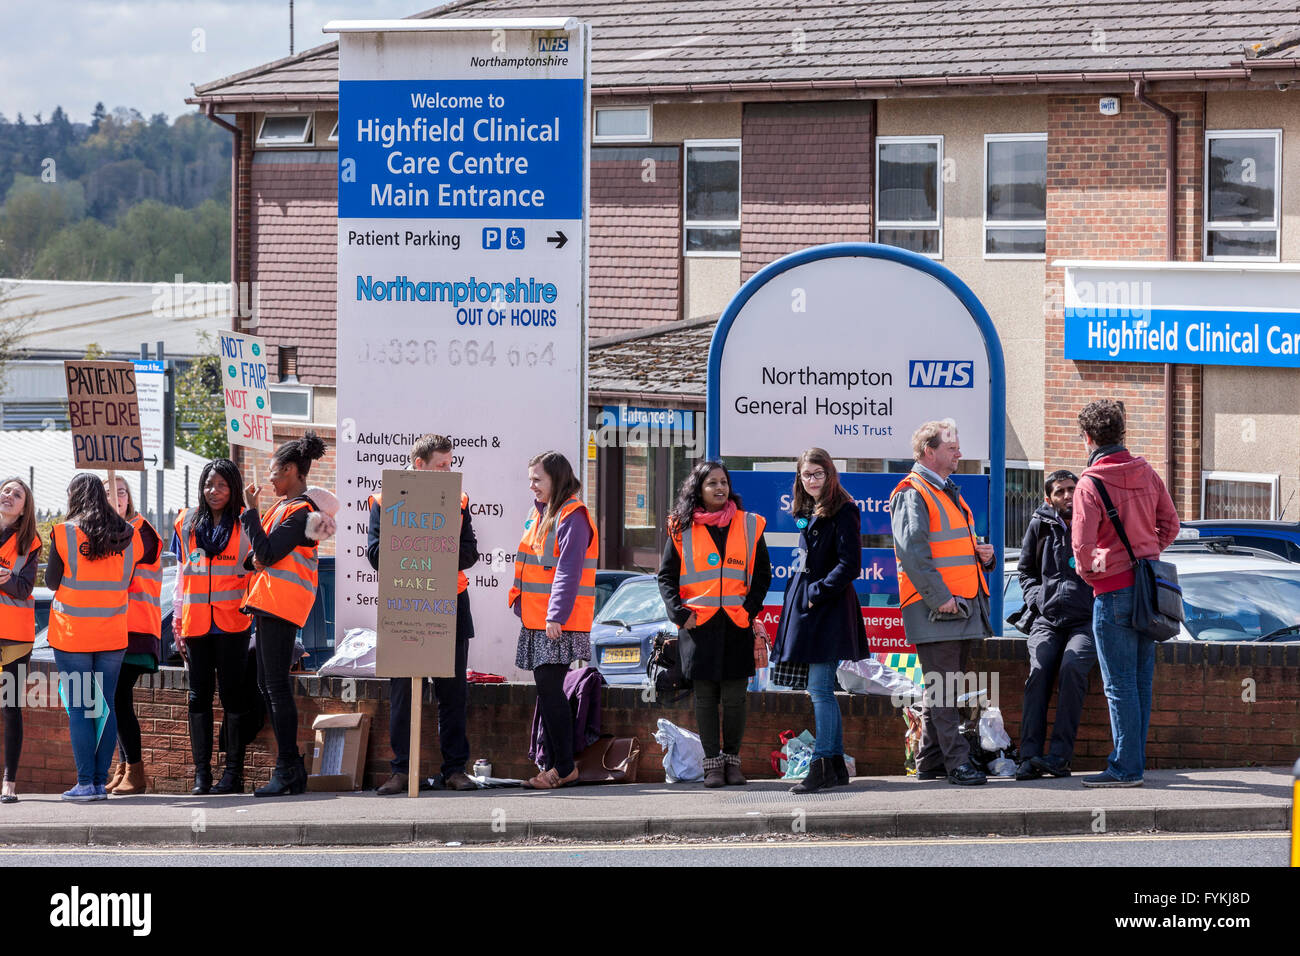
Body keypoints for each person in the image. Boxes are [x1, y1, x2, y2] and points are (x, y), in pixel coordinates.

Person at [1071, 399, 1179, 788]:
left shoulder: (1090, 483)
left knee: (1118, 686)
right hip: (1149, 591)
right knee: (1139, 682)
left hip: (1113, 593)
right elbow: (1171, 524)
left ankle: (1125, 768)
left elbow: (1082, 554)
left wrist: (1101, 569)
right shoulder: (1146, 471)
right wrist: (1147, 553)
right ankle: (1133, 762)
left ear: (1088, 437)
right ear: (1121, 433)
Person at [367, 434, 478, 794]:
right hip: (406, 603)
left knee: (453, 693)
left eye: (450, 464)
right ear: (420, 465)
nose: (449, 470)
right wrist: (418, 557)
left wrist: (437, 558)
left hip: (450, 603)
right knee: (402, 693)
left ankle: (454, 769)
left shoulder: (458, 501)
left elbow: (470, 552)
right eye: (442, 465)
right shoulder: (385, 500)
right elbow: (374, 553)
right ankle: (402, 771)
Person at [890, 419, 996, 786]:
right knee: (944, 687)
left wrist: (985, 556)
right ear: (929, 452)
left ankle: (931, 761)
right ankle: (956, 763)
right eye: (952, 448)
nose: (959, 453)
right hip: (937, 607)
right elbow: (913, 553)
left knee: (945, 687)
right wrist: (941, 599)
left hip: (957, 605)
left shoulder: (944, 489)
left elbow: (946, 547)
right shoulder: (913, 491)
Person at [657, 459, 771, 788]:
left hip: (736, 623)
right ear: (698, 490)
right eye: (712, 484)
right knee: (705, 698)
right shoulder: (681, 528)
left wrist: (750, 610)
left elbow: (763, 574)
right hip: (699, 626)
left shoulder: (749, 524)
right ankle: (712, 765)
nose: (720, 488)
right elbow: (666, 577)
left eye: (724, 482)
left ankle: (732, 762)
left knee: (735, 697)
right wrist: (680, 613)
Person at [241, 432, 335, 797]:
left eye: (274, 472)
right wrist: (258, 554)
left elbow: (266, 550)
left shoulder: (300, 511)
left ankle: (288, 769)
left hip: (282, 604)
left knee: (277, 688)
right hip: (268, 602)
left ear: (293, 470)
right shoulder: (283, 508)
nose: (269, 479)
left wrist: (249, 512)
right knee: (268, 686)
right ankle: (290, 768)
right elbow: (257, 556)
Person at [772, 449, 869, 793]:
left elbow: (850, 564)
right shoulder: (807, 510)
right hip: (807, 609)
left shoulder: (845, 510)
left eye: (817, 474)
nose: (810, 480)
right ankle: (837, 767)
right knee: (820, 690)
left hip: (827, 611)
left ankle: (823, 764)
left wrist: (816, 592)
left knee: (820, 691)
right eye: (805, 475)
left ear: (830, 475)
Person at [46, 473, 142, 801]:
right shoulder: (130, 536)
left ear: (74, 496)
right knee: (106, 707)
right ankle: (99, 783)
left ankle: (85, 783)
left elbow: (51, 581)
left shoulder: (64, 533)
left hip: (73, 634)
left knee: (81, 708)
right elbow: (128, 579)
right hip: (113, 633)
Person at [507, 451, 598, 790]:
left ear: (556, 479)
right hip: (539, 620)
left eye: (537, 479)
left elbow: (568, 571)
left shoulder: (572, 516)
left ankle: (563, 766)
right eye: (530, 478)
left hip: (557, 622)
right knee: (547, 692)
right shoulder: (541, 513)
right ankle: (558, 762)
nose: (531, 485)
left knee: (550, 690)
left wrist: (555, 615)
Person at [173, 458, 253, 795]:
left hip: (233, 623)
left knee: (234, 698)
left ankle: (233, 774)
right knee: (197, 698)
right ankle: (201, 775)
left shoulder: (246, 524)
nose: (213, 491)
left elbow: (254, 573)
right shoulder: (187, 522)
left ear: (233, 488)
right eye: (208, 484)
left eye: (221, 485)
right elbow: (181, 575)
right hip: (196, 625)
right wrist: (177, 620)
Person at [1015, 469, 1097, 780]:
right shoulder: (1040, 524)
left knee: (1072, 669)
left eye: (1071, 489)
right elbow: (1026, 571)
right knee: (1039, 672)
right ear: (1049, 498)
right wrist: (1038, 600)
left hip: (1085, 621)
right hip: (1047, 619)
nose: (1067, 496)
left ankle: (1060, 757)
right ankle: (1029, 756)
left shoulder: (1093, 521)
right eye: (1060, 491)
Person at [103, 476, 162, 796]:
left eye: (121, 492)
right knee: (116, 699)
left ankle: (136, 772)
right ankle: (124, 768)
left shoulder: (140, 529)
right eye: (110, 493)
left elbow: (121, 557)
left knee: (118, 699)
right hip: (114, 629)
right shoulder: (108, 530)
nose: (118, 498)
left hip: (137, 629)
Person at [0, 478, 41, 804]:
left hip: (14, 638)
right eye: (6, 490)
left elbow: (24, 589)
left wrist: (9, 580)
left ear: (25, 507)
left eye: (17, 494)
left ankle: (9, 783)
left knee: (10, 708)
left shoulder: (30, 541)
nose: (9, 496)